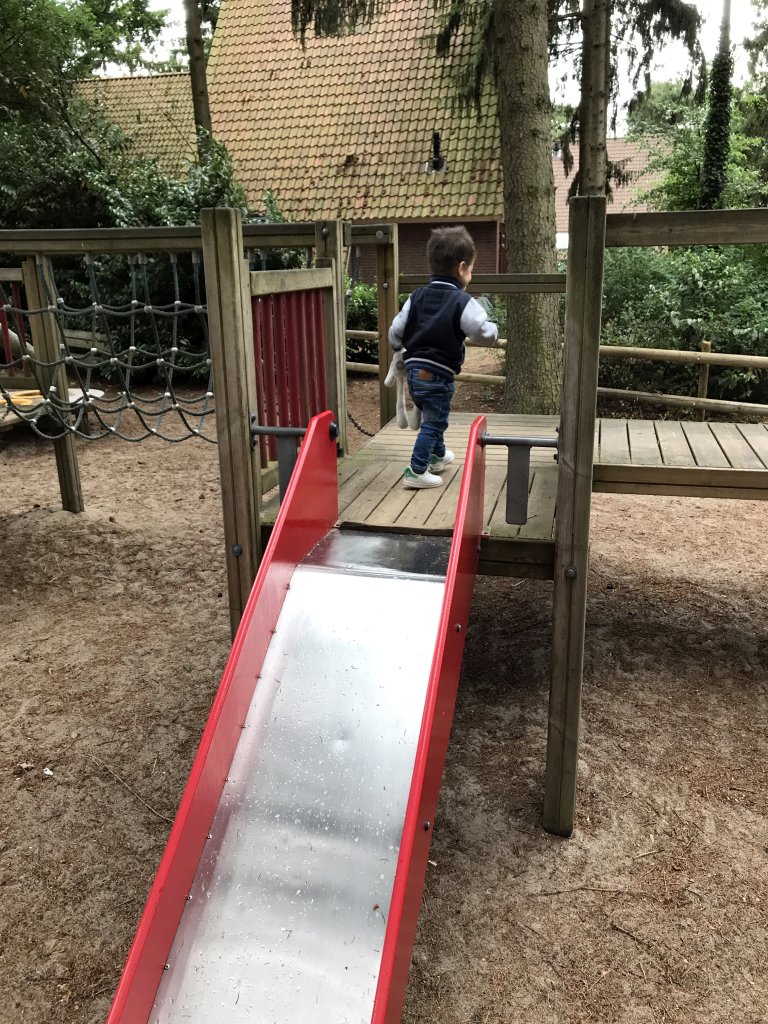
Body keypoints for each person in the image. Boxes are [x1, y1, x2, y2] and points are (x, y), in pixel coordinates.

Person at [388, 226, 498, 489]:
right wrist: (493, 329)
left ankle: (436, 455)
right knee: (435, 421)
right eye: (471, 268)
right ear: (462, 268)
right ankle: (416, 469)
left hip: (415, 372)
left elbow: (395, 331)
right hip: (438, 374)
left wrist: (397, 348)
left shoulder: (416, 297)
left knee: (433, 415)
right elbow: (482, 333)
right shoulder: (462, 301)